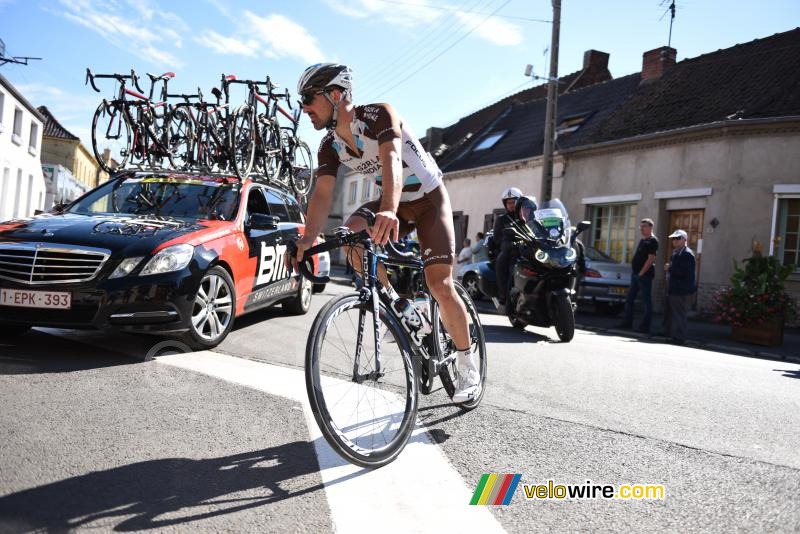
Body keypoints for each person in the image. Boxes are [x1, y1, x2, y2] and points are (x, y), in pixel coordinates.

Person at [289, 63, 480, 403]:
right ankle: (400, 306)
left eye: (308, 98)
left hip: (427, 200)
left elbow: (391, 159)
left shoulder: (378, 116)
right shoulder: (329, 145)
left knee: (439, 283)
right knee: (349, 239)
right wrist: (307, 239)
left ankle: (467, 365)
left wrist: (389, 210)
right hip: (392, 202)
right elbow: (322, 194)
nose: (304, 108)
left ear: (336, 95)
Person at [616, 218, 659, 333]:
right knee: (629, 298)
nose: (641, 228)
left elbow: (650, 259)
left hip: (644, 275)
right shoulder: (643, 240)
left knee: (646, 301)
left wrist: (641, 273)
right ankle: (627, 322)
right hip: (635, 274)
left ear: (651, 227)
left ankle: (645, 326)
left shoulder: (653, 241)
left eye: (644, 226)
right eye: (641, 226)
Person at [662, 229, 696, 344]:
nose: (675, 241)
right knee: (668, 310)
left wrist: (670, 268)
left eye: (677, 238)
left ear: (684, 240)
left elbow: (685, 272)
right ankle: (667, 332)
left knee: (679, 313)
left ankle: (680, 337)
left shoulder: (687, 254)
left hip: (681, 288)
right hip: (672, 286)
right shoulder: (676, 252)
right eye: (673, 238)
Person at [492, 187, 523, 310]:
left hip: (526, 247)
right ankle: (503, 296)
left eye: (513, 202)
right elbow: (497, 238)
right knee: (501, 260)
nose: (511, 205)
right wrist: (508, 243)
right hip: (509, 248)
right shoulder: (502, 219)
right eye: (509, 203)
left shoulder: (525, 217)